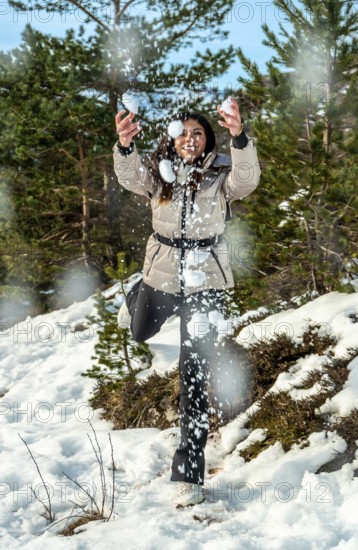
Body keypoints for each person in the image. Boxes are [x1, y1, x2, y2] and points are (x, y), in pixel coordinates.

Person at [113, 97, 260, 506]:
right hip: (160, 275)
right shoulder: (159, 175)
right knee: (140, 332)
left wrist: (239, 136)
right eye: (185, 134)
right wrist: (125, 146)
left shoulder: (221, 175)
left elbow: (247, 180)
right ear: (173, 139)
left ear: (207, 140)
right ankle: (134, 295)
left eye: (199, 133)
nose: (191, 140)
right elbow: (127, 176)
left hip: (205, 281)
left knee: (193, 377)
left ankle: (189, 473)